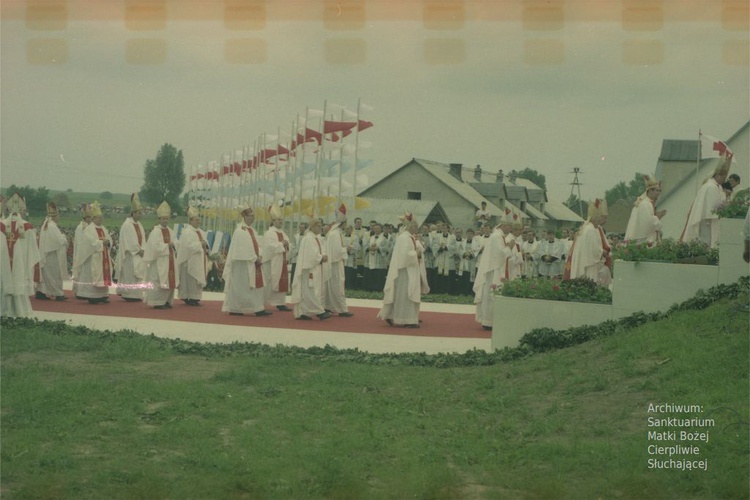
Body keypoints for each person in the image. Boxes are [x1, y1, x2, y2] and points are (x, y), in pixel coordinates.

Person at [222, 205, 273, 317]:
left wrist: (260, 255)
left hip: (252, 262)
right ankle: (236, 308)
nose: (253, 218)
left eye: (254, 216)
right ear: (244, 217)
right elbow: (242, 248)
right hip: (242, 264)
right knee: (241, 286)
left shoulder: (252, 230)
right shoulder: (240, 230)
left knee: (254, 286)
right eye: (250, 216)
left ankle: (258, 308)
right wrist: (254, 258)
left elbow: (257, 245)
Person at [378, 213, 427, 328]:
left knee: (403, 293)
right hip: (405, 271)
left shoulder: (410, 237)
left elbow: (416, 248)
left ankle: (394, 315)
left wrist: (419, 247)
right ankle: (407, 319)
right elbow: (405, 255)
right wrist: (417, 254)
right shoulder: (404, 238)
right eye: (415, 226)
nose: (416, 228)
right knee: (405, 294)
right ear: (410, 226)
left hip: (410, 269)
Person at [680, 153, 731, 248]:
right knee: (707, 244)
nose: (724, 181)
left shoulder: (717, 186)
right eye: (724, 178)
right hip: (707, 223)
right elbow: (713, 210)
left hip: (711, 221)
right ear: (719, 175)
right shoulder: (710, 187)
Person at [1, 193, 40, 317]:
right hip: (20, 264)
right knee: (18, 281)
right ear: (21, 210)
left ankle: (4, 311)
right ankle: (20, 311)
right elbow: (32, 250)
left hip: (4, 264)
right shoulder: (27, 226)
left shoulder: (1, 226)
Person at [473, 219, 512, 330]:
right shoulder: (496, 237)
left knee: (492, 295)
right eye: (509, 227)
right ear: (504, 225)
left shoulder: (498, 236)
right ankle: (488, 321)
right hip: (493, 270)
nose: (510, 229)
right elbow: (499, 254)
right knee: (491, 295)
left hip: (495, 269)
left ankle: (490, 320)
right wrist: (509, 247)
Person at [290, 216, 331, 320]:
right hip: (309, 269)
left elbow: (320, 250)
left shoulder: (315, 238)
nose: (321, 228)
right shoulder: (308, 238)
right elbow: (311, 255)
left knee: (310, 291)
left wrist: (323, 255)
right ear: (312, 227)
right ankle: (319, 311)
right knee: (309, 291)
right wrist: (321, 257)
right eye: (319, 226)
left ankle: (304, 312)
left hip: (314, 267)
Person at [564, 198, 612, 287]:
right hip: (589, 265)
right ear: (596, 217)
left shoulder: (586, 227)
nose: (602, 221)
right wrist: (602, 252)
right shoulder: (591, 230)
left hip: (584, 261)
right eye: (602, 217)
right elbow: (593, 250)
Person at [143, 201, 179, 309]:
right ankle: (157, 302)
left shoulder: (171, 231)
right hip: (159, 261)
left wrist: (174, 244)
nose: (165, 220)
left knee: (169, 280)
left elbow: (176, 242)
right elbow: (154, 247)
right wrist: (167, 245)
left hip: (170, 260)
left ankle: (167, 301)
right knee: (159, 280)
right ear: (159, 219)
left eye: (166, 218)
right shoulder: (156, 232)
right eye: (163, 218)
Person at [76, 201, 113, 305]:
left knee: (103, 274)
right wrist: (102, 242)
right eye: (98, 217)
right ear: (93, 218)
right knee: (94, 275)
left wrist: (108, 242)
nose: (101, 219)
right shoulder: (89, 229)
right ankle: (92, 296)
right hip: (93, 257)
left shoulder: (103, 228)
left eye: (101, 217)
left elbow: (109, 238)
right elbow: (89, 243)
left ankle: (103, 295)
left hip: (103, 256)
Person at [324, 204, 354, 317]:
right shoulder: (335, 234)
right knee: (337, 286)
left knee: (333, 286)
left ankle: (329, 306)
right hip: (335, 264)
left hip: (336, 263)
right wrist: (346, 249)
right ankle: (341, 309)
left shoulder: (336, 234)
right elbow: (336, 252)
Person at [116, 193, 147, 302]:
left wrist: (143, 248)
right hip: (130, 255)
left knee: (138, 276)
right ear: (133, 213)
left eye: (140, 212)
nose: (139, 215)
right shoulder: (127, 225)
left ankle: (137, 294)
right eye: (138, 213)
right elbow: (129, 241)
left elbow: (143, 238)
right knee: (130, 275)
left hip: (139, 254)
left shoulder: (139, 224)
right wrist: (138, 250)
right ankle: (128, 294)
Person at [261, 204, 291, 312]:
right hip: (271, 262)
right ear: (273, 221)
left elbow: (289, 245)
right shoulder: (269, 233)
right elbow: (270, 247)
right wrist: (282, 244)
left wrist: (286, 244)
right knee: (270, 282)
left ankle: (280, 303)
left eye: (281, 220)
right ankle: (262, 304)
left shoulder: (282, 233)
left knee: (281, 281)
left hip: (281, 261)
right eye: (278, 220)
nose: (280, 222)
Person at [176, 206, 208, 306]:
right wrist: (200, 244)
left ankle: (195, 297)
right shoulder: (187, 232)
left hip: (199, 259)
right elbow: (188, 247)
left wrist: (205, 245)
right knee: (190, 279)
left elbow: (204, 243)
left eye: (199, 219)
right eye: (196, 220)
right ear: (190, 221)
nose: (198, 221)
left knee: (196, 279)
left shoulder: (200, 231)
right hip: (189, 260)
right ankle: (188, 297)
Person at [36, 202, 68, 301]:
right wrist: (64, 237)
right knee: (54, 274)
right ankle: (58, 294)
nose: (59, 218)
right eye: (58, 216)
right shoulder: (52, 226)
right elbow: (59, 240)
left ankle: (41, 292)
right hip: (51, 254)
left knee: (46, 275)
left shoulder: (46, 224)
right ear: (54, 216)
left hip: (46, 253)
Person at [624, 175, 667, 245]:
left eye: (660, 191)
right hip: (645, 241)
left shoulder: (650, 203)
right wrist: (658, 217)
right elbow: (646, 224)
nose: (658, 193)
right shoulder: (645, 204)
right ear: (650, 191)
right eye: (657, 191)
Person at [71, 204, 93, 298]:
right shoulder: (80, 227)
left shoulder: (91, 226)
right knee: (81, 272)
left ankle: (87, 291)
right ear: (84, 217)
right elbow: (80, 242)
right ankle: (80, 291)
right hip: (81, 254)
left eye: (90, 217)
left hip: (90, 253)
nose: (89, 219)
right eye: (87, 217)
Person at [364, 222, 389, 291]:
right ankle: (369, 288)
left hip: (379, 259)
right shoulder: (371, 238)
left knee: (378, 275)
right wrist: (369, 248)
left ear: (381, 229)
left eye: (378, 228)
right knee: (370, 274)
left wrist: (378, 249)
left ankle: (378, 288)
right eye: (375, 228)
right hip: (371, 257)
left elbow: (386, 248)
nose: (376, 230)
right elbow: (365, 246)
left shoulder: (384, 239)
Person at [288, 221, 307, 289]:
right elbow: (293, 246)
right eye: (300, 227)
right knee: (294, 273)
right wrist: (295, 252)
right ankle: (292, 287)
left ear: (305, 228)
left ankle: (302, 288)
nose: (301, 229)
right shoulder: (296, 236)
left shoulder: (307, 236)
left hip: (304, 257)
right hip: (296, 257)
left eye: (303, 227)